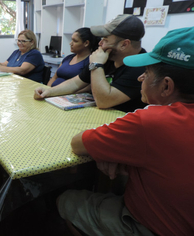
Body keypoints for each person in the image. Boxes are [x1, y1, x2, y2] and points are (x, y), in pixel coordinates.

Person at [58, 27, 194, 236]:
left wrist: (109, 149)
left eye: (146, 73)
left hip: (153, 227)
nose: (141, 78)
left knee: (67, 200)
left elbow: (79, 143)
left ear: (166, 87)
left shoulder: (151, 121)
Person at [34, 14, 147, 112]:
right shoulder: (108, 56)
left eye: (106, 40)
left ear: (124, 44)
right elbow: (76, 83)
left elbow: (103, 101)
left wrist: (96, 65)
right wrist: (49, 91)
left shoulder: (140, 67)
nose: (100, 43)